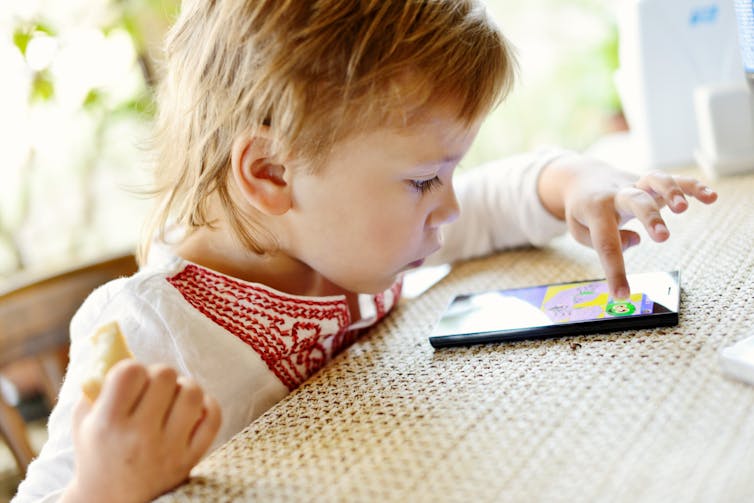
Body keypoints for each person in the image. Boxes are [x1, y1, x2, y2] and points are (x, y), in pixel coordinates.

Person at [13, 1, 718, 501]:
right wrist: (104, 488)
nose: (447, 202)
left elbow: (491, 202)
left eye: (448, 171)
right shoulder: (147, 330)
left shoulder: (341, 235)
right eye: (422, 180)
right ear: (271, 174)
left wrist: (573, 181)